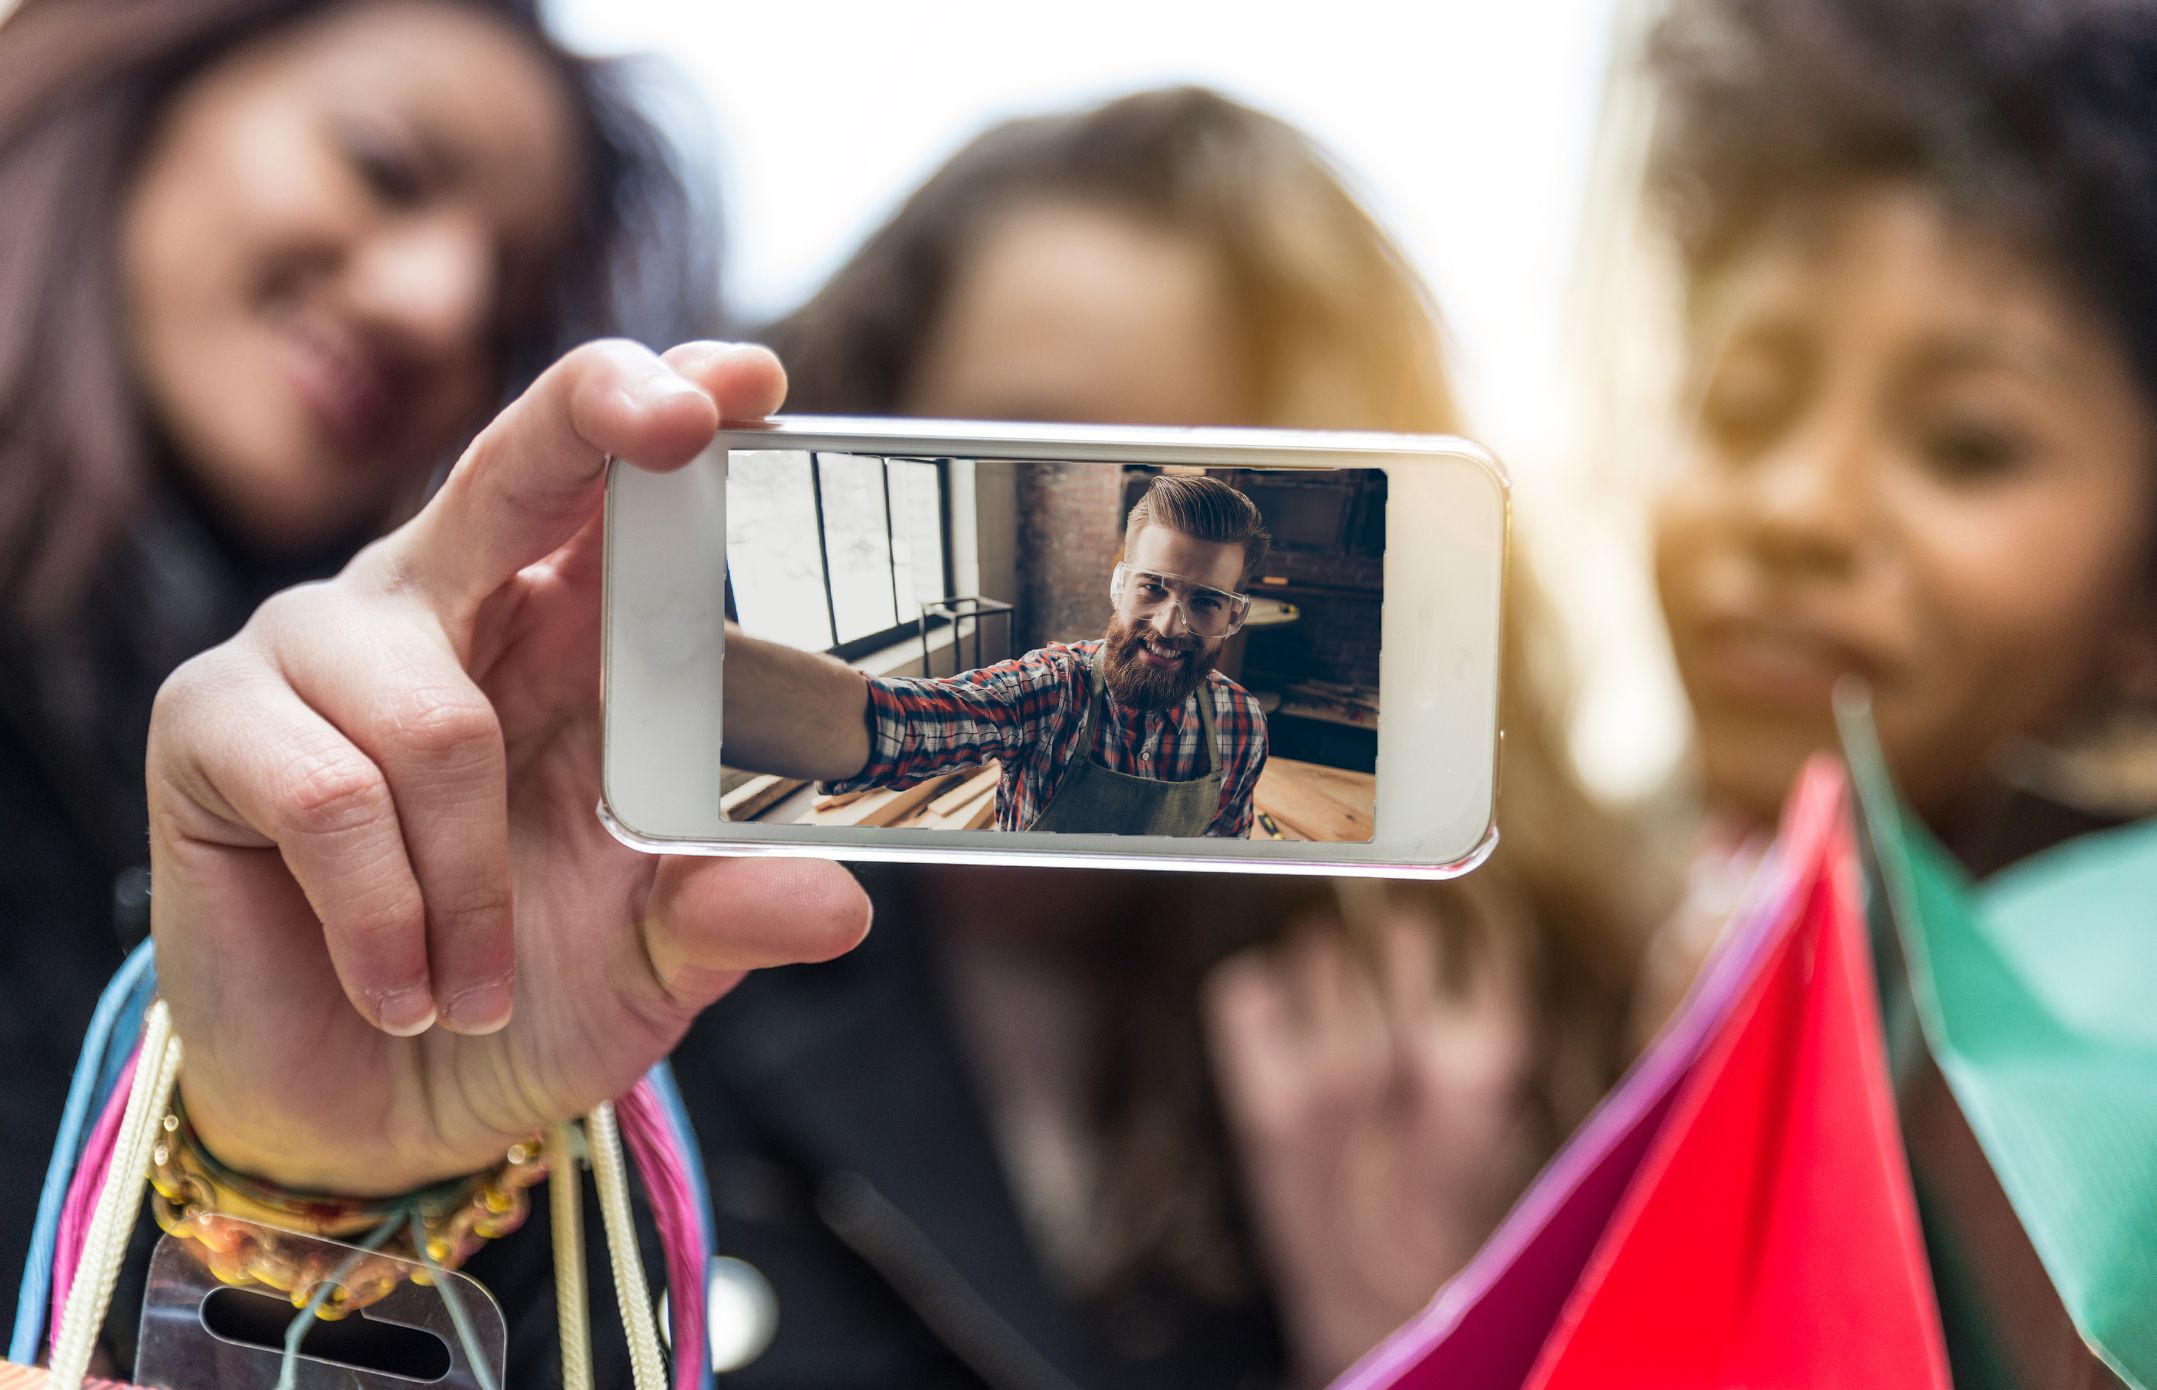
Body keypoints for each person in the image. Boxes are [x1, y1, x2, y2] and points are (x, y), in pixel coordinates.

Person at [680, 87, 1654, 1389]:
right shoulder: (652, 986)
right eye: (1028, 465)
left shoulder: (1495, 1059)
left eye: (1219, 509)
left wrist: (1407, 1337)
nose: (1124, 582)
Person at [0, 0, 715, 1314]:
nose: (436, 302)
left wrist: (305, 1185)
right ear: (139, 82)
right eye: (384, 165)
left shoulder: (425, 801)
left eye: (504, 300)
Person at [1634, 0, 2157, 1374]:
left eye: (1969, 445)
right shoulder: (1499, 959)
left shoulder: (2113, 1083)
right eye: (1743, 406)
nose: (1800, 508)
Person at [723, 471, 1272, 837]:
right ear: (1119, 585)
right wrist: (700, 674)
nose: (1170, 626)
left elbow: (1223, 859)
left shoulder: (1242, 726)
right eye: (1152, 588)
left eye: (1206, 601)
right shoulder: (1053, 691)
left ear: (1232, 616)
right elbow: (902, 723)